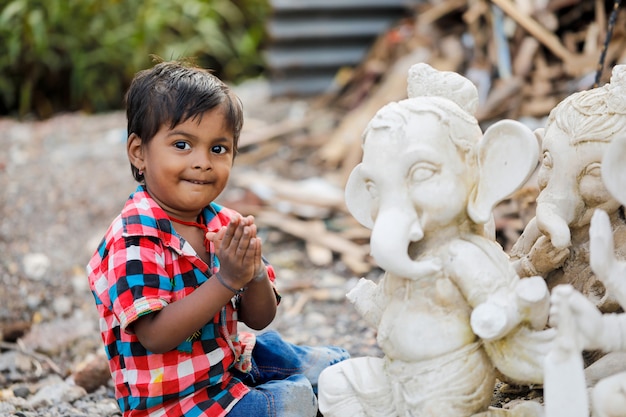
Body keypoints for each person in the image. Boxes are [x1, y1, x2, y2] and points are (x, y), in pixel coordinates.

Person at [87, 59, 349, 417]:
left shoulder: (226, 223)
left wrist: (252, 273)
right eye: (182, 145)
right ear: (138, 152)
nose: (203, 162)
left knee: (279, 350)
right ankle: (310, 396)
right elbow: (156, 336)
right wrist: (227, 280)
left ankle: (331, 378)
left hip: (227, 363)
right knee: (289, 403)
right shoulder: (133, 239)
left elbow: (258, 318)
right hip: (177, 402)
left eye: (218, 149)